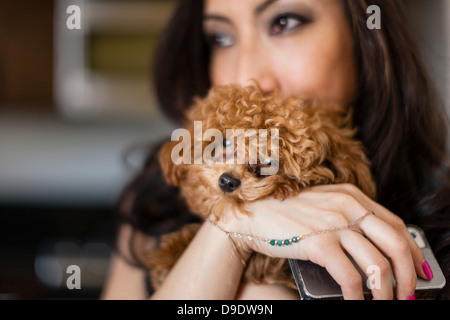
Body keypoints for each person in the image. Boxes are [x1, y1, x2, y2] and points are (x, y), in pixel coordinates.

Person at [101, 0, 450, 300]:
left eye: (284, 23)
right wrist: (227, 235)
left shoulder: (441, 217)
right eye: (220, 38)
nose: (246, 75)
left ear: (366, 34)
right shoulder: (155, 200)